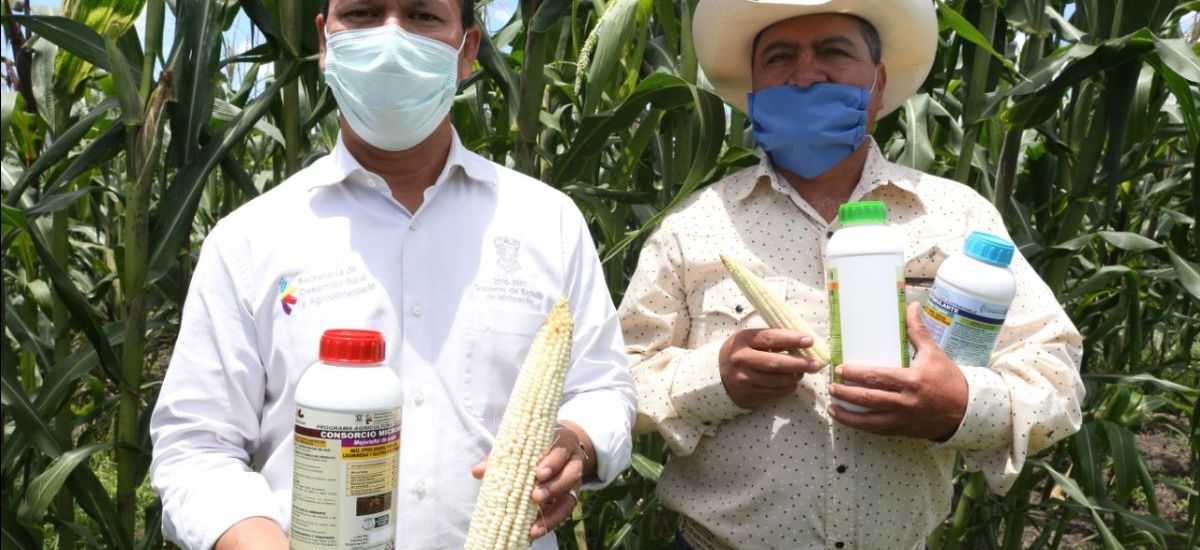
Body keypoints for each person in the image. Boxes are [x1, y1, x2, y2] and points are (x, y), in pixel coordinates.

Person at [149, 1, 636, 548]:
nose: (391, 38)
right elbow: (194, 447)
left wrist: (577, 439)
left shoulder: (548, 224)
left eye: (422, 16)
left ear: (467, 51)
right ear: (325, 43)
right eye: (362, 13)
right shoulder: (249, 241)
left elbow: (605, 390)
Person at [618, 1, 1085, 548]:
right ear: (753, 92)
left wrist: (959, 404)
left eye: (833, 52)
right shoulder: (692, 227)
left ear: (879, 84)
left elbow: (1055, 374)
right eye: (780, 57)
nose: (806, 73)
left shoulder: (959, 218)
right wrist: (712, 378)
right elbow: (617, 377)